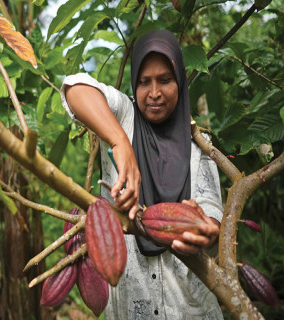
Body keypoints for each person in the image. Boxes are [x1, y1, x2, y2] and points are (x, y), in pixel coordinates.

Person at [60, 30, 224, 319]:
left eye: (165, 80)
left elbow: (212, 216)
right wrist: (120, 141)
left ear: (180, 81)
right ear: (134, 84)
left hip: (189, 309)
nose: (154, 93)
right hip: (129, 305)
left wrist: (206, 231)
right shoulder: (123, 117)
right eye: (144, 82)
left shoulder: (200, 148)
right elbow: (75, 87)